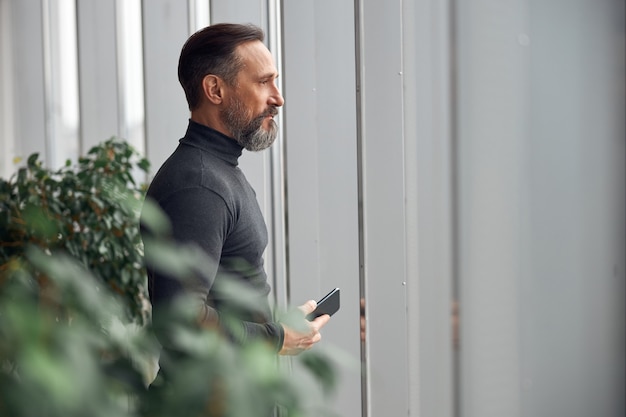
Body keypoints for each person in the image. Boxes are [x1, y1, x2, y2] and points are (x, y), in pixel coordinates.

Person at [141, 22, 331, 377]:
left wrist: (278, 330)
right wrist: (273, 338)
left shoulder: (218, 171)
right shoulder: (199, 184)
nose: (278, 97)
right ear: (215, 89)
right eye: (263, 82)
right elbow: (180, 319)